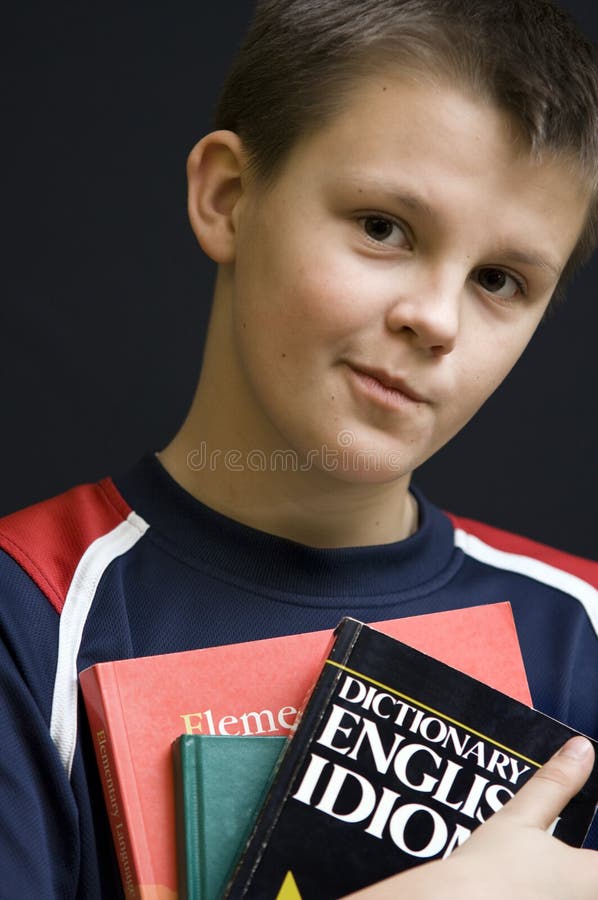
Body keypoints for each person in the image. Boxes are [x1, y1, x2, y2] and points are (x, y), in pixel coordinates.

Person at [1, 0, 598, 897]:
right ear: (228, 199)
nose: (435, 319)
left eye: (500, 280)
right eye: (382, 226)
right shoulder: (29, 614)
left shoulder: (583, 629)